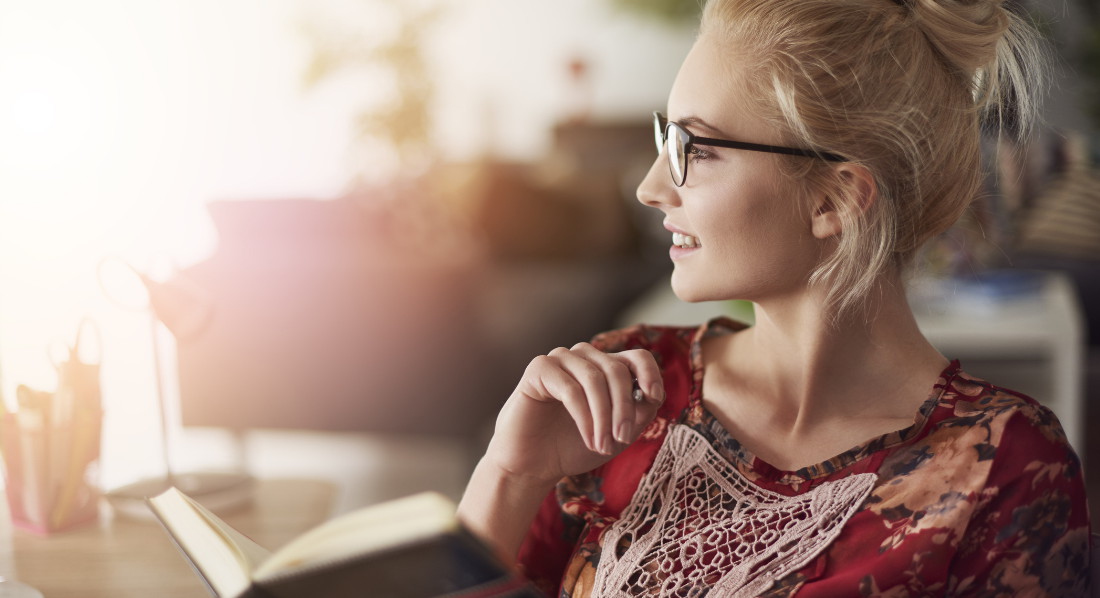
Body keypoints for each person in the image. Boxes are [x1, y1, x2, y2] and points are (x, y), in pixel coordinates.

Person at [458, 0, 1091, 595]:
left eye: (695, 149)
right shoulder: (621, 390)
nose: (650, 187)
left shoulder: (1005, 466)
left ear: (833, 200)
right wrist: (511, 477)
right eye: (664, 139)